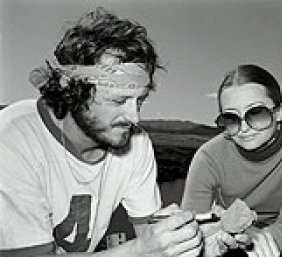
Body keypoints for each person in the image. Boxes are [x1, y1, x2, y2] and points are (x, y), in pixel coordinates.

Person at [0, 7, 203, 257]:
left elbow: (149, 237)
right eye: (118, 101)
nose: (134, 117)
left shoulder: (137, 144)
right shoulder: (12, 138)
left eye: (140, 101)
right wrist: (139, 250)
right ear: (73, 90)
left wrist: (180, 239)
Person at [181, 64, 282, 257]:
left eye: (256, 113)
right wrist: (233, 238)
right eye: (231, 118)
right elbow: (192, 227)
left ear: (278, 112)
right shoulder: (208, 157)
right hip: (229, 238)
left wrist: (254, 240)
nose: (244, 128)